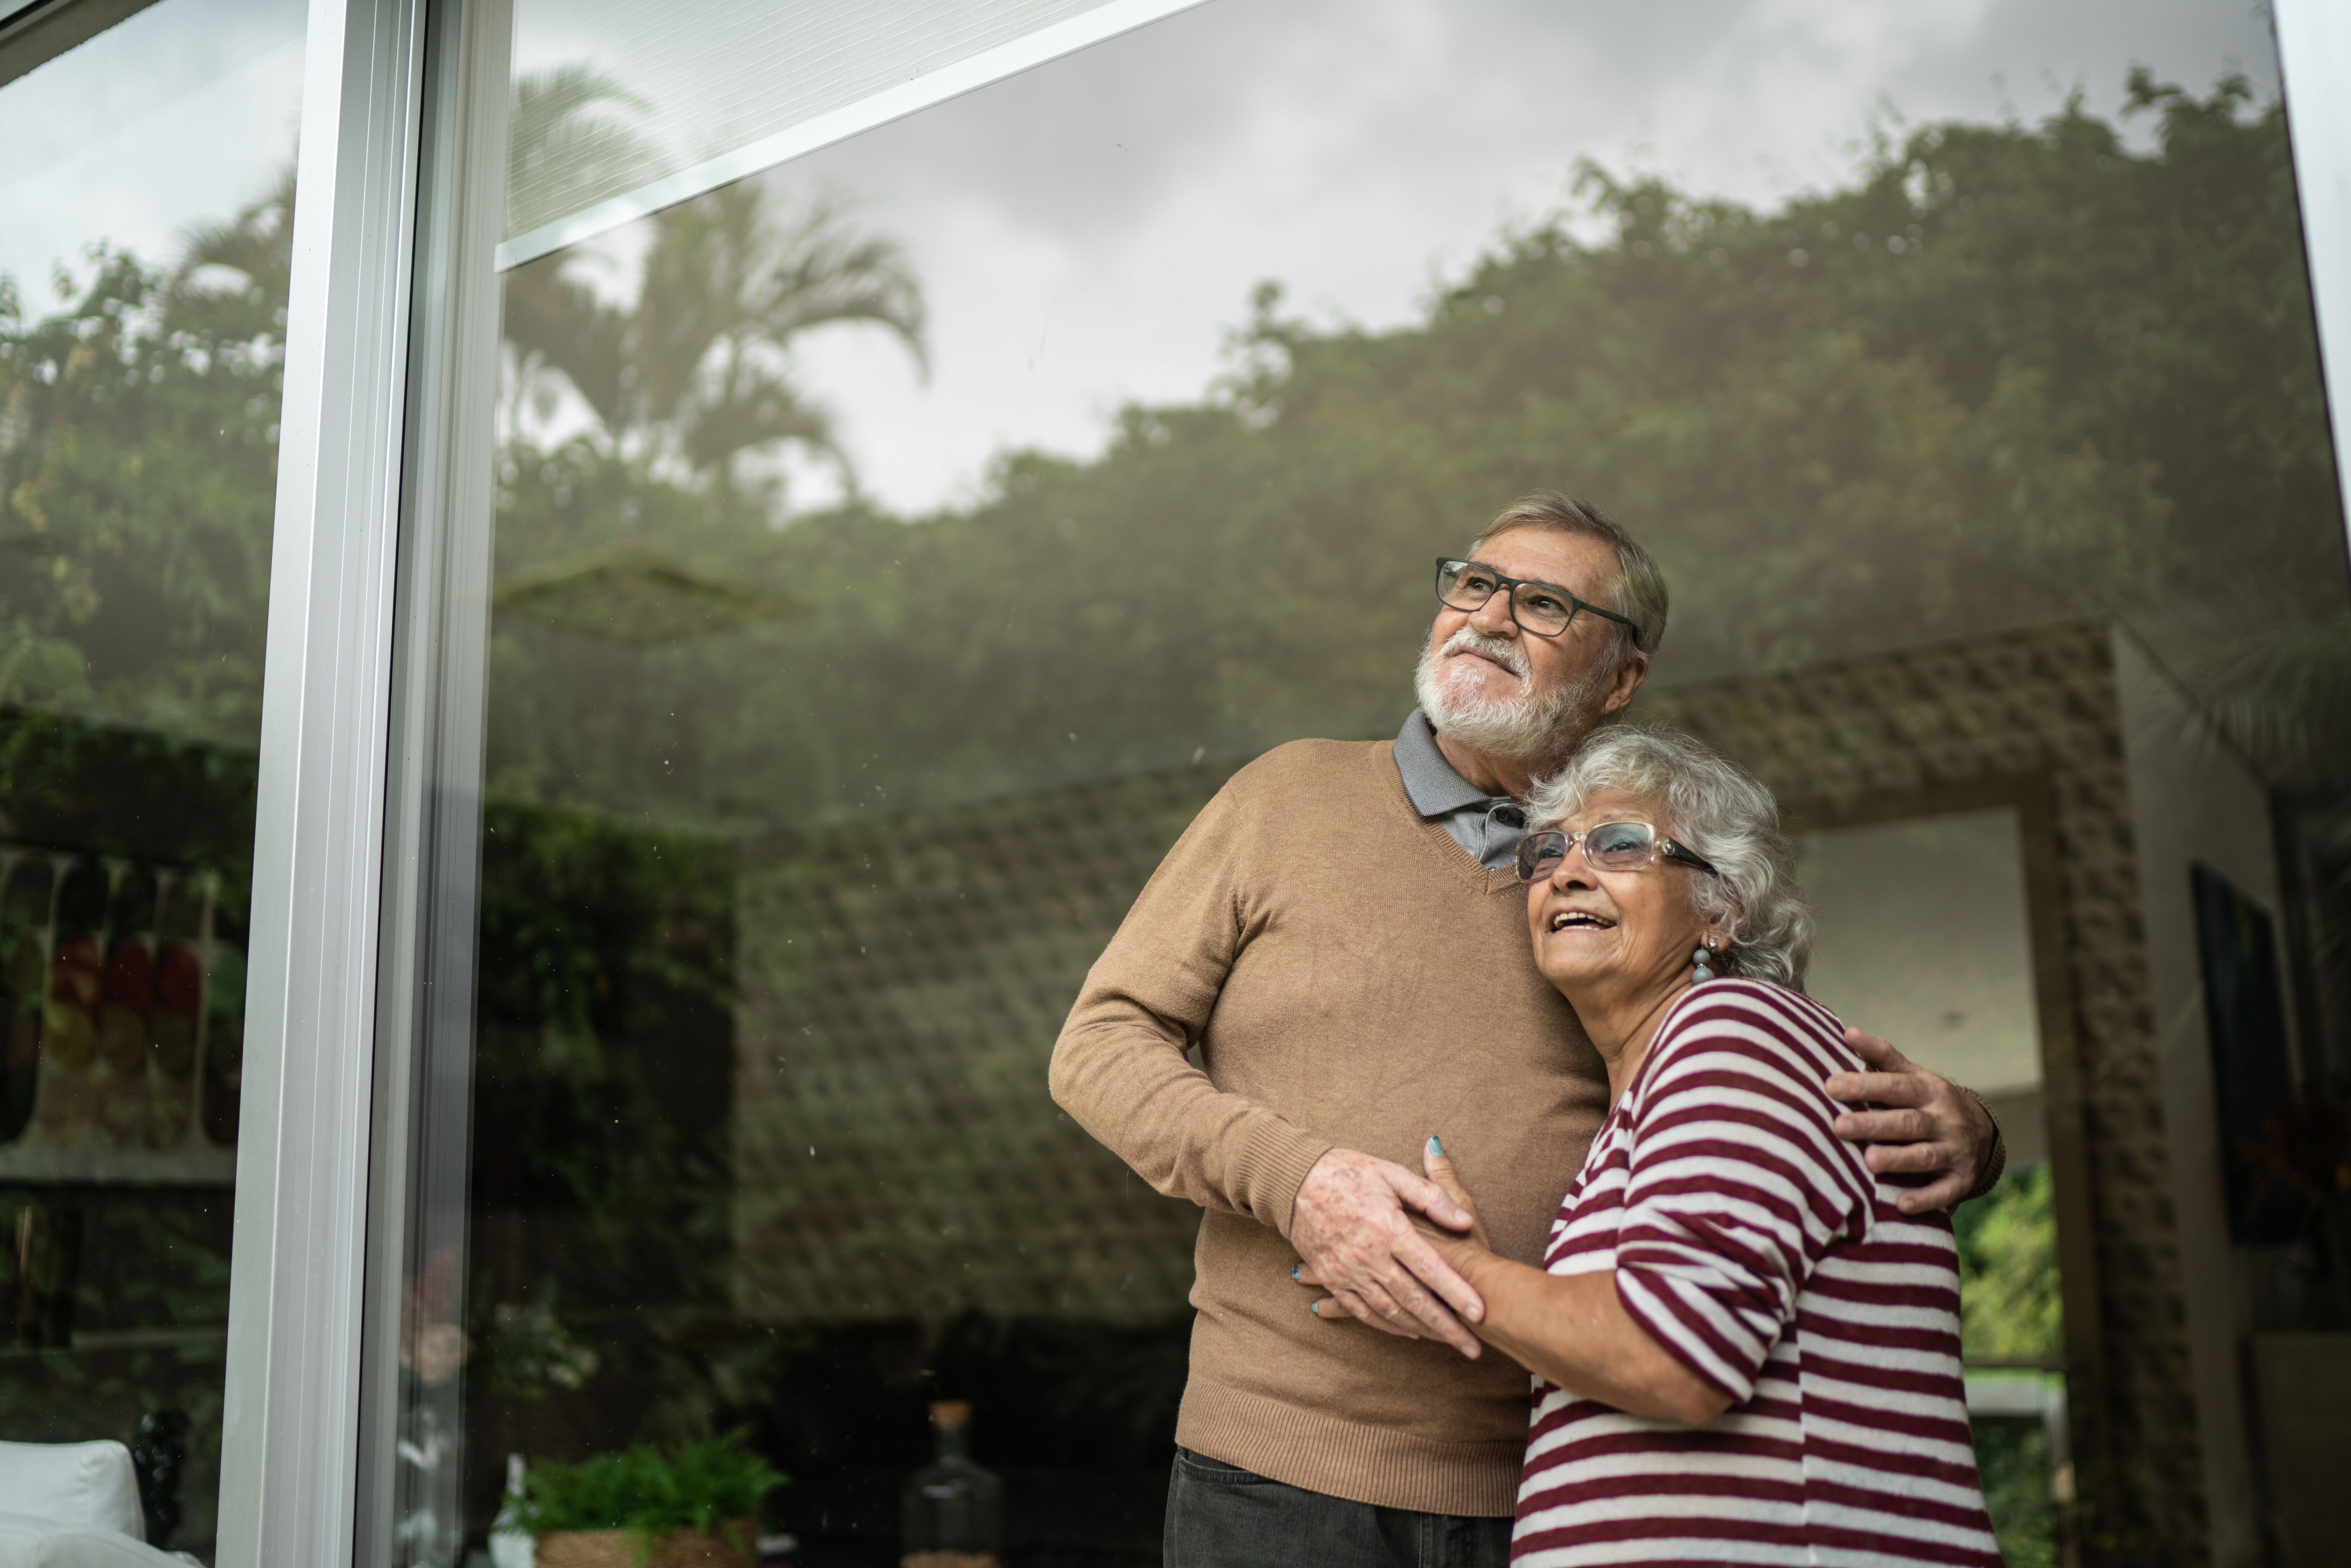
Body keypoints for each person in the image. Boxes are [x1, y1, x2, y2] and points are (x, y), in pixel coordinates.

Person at [1049, 494, 2003, 1568]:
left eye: (1543, 603)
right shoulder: (1286, 797)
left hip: (1573, 1479)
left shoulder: (1648, 881)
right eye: (1473, 584)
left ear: (1620, 677)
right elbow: (1097, 1045)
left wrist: (1971, 1133)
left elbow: (1773, 1088)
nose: (1490, 617)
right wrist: (1300, 1181)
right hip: (1278, 1471)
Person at [1359, 723, 2001, 1566]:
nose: (1566, 872)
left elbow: (1675, 1355)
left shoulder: (1730, 1030)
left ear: (1721, 911)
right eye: (1546, 852)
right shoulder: (1662, 1082)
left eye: (1619, 844)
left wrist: (1455, 1271)